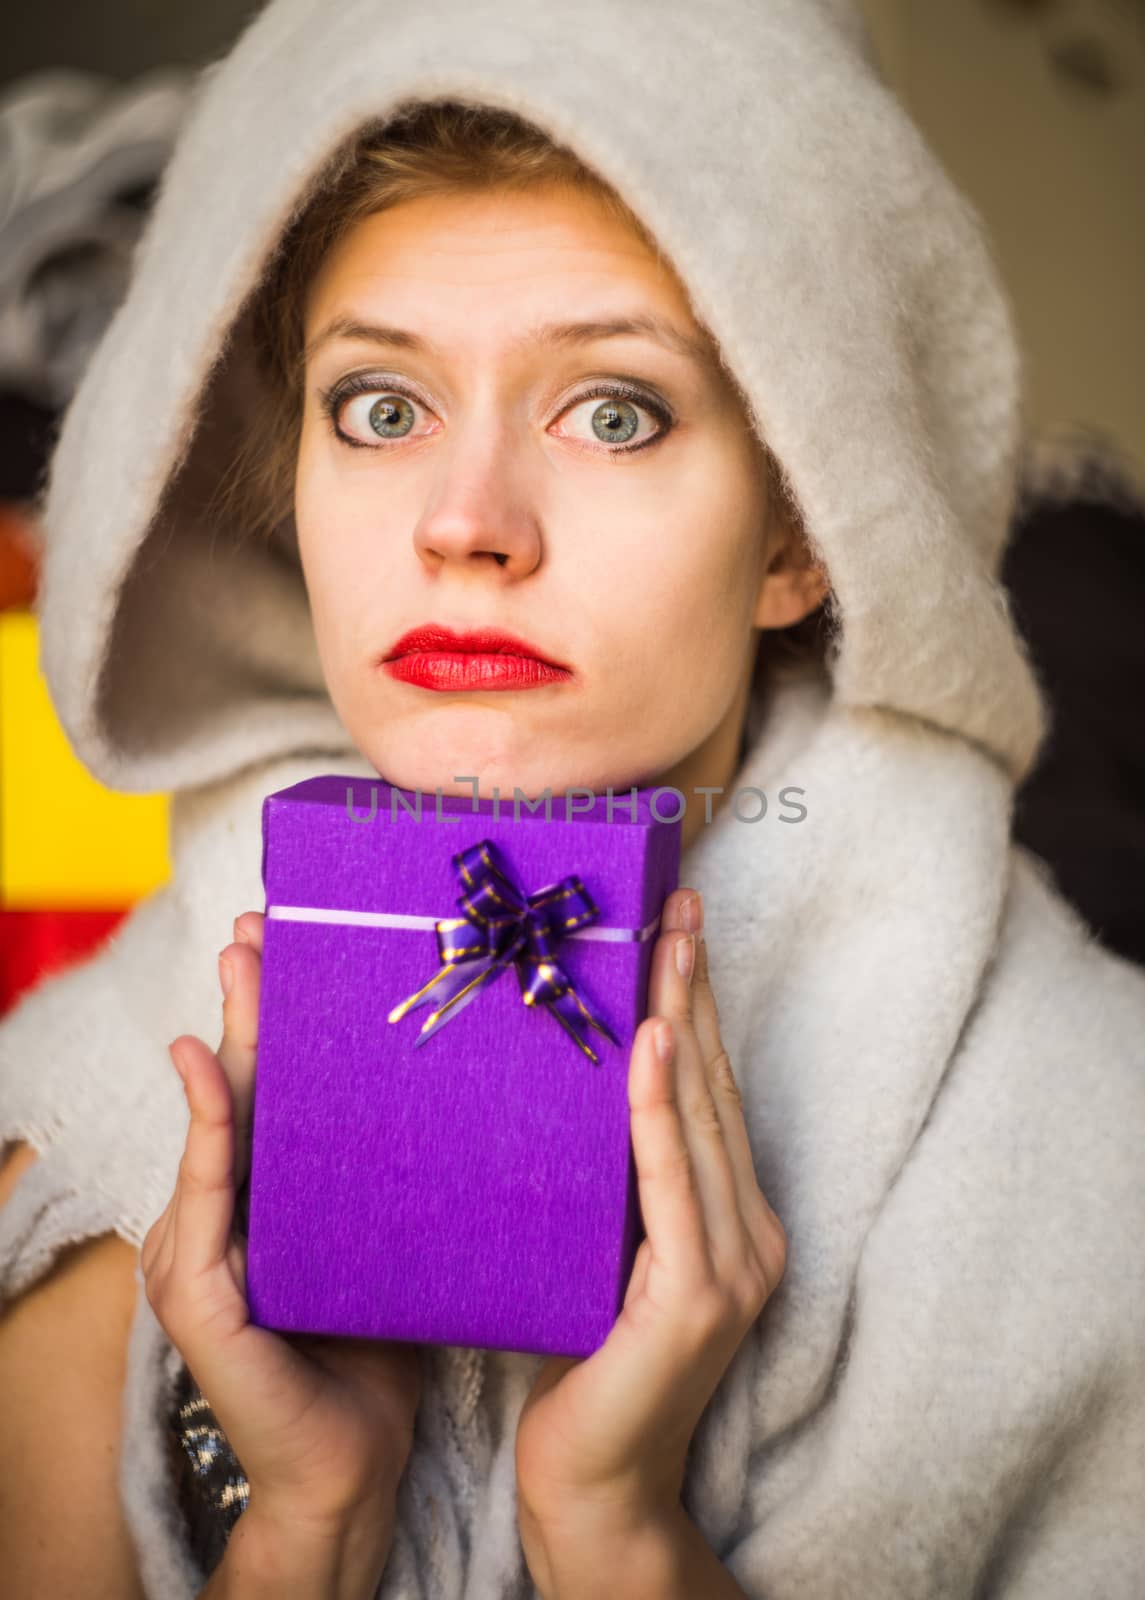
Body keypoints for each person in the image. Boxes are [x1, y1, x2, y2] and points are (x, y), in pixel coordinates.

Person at [2, 1, 1143, 1596]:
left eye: (613, 410)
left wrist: (617, 1527)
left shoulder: (1101, 1155)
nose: (466, 524)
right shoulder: (77, 1131)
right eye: (380, 408)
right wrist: (313, 1522)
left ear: (798, 530)